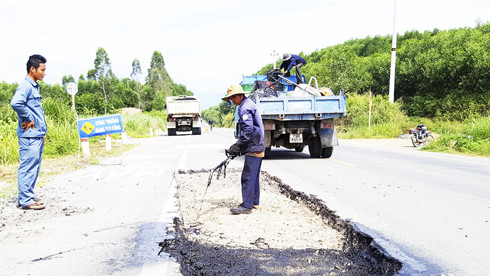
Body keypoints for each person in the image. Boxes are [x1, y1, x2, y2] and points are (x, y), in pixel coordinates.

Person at [10, 54, 48, 210]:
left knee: (34, 166)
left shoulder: (34, 85)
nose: (44, 73)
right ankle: (26, 200)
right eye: (42, 69)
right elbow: (15, 103)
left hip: (36, 135)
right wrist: (27, 118)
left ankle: (27, 196)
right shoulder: (26, 86)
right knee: (28, 166)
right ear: (33, 69)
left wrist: (42, 133)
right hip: (29, 136)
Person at [222, 85, 265, 215]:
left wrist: (238, 145)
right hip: (258, 144)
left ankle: (247, 205)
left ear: (239, 96)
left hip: (254, 145)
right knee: (254, 175)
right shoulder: (249, 104)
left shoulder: (245, 108)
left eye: (233, 98)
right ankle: (254, 202)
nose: (232, 101)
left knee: (247, 176)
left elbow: (247, 130)